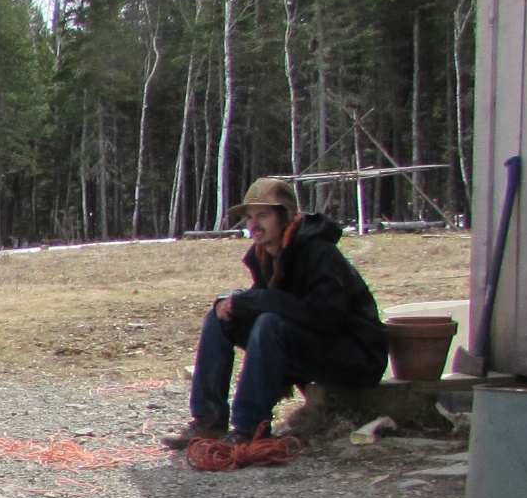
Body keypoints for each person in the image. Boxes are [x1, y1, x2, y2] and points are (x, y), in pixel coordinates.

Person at [164, 177, 390, 448]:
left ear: (285, 216)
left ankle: (249, 429)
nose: (253, 224)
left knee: (270, 323)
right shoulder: (265, 254)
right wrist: (236, 301)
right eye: (249, 217)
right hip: (313, 345)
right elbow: (271, 304)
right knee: (219, 316)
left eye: (263, 215)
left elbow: (327, 318)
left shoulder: (319, 252)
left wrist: (255, 300)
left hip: (355, 356)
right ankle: (208, 422)